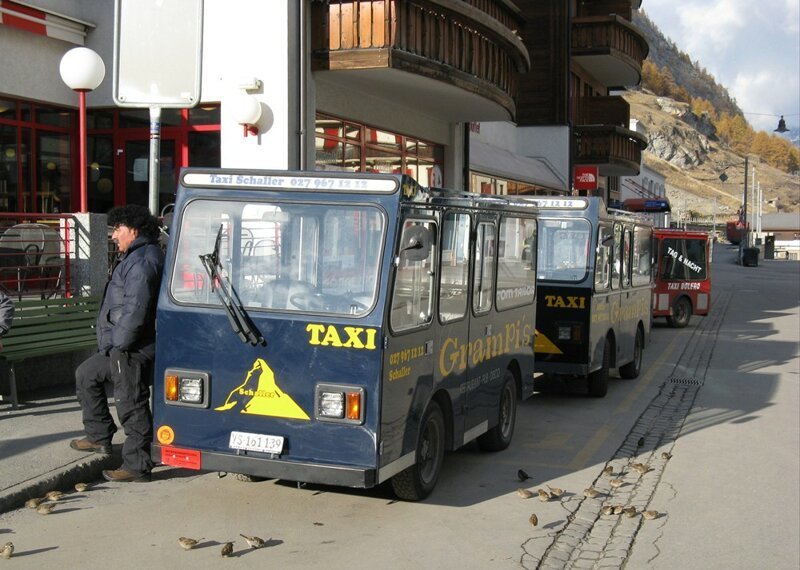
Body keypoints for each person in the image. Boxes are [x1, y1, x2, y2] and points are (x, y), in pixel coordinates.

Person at [70, 205, 164, 483]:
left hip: (132, 347)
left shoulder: (144, 260)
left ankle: (137, 466)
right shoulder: (134, 256)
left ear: (133, 230)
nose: (113, 236)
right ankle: (99, 436)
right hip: (120, 345)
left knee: (131, 403)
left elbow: (136, 308)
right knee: (86, 374)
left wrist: (121, 344)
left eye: (117, 230)